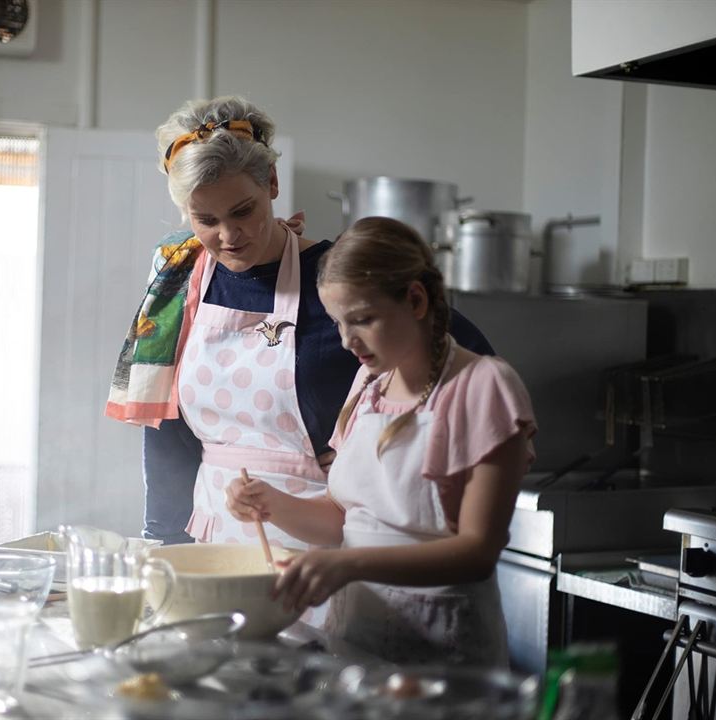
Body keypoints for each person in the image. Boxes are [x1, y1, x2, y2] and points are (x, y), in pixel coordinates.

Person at [106, 96, 494, 551]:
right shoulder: (178, 278)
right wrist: (163, 541)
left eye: (243, 211)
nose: (228, 237)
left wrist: (383, 459)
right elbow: (168, 431)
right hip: (214, 540)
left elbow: (475, 371)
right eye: (205, 220)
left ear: (271, 182)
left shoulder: (340, 276)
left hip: (330, 545)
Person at [225, 216, 536, 666]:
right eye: (337, 323)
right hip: (356, 637)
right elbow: (345, 520)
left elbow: (477, 552)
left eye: (363, 320)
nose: (347, 340)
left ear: (415, 299)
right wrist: (271, 503)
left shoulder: (484, 385)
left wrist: (348, 564)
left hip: (443, 652)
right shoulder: (369, 384)